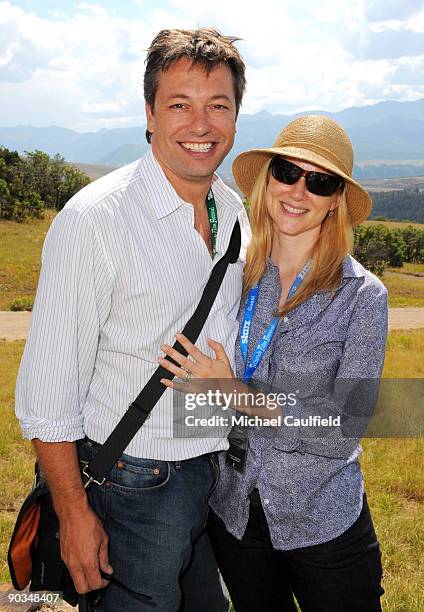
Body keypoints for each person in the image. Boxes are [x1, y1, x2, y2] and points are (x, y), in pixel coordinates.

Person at [15, 28, 250, 612]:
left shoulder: (236, 208)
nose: (201, 124)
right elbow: (48, 391)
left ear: (236, 116)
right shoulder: (94, 220)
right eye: (180, 105)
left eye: (218, 105)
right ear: (149, 114)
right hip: (132, 484)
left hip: (210, 476)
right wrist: (74, 514)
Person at [158, 115, 388, 611]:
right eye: (287, 172)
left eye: (320, 182)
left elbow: (346, 426)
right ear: (268, 182)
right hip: (235, 515)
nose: (299, 191)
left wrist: (235, 394)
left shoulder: (363, 297)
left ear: (334, 203)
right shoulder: (236, 276)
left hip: (322, 519)